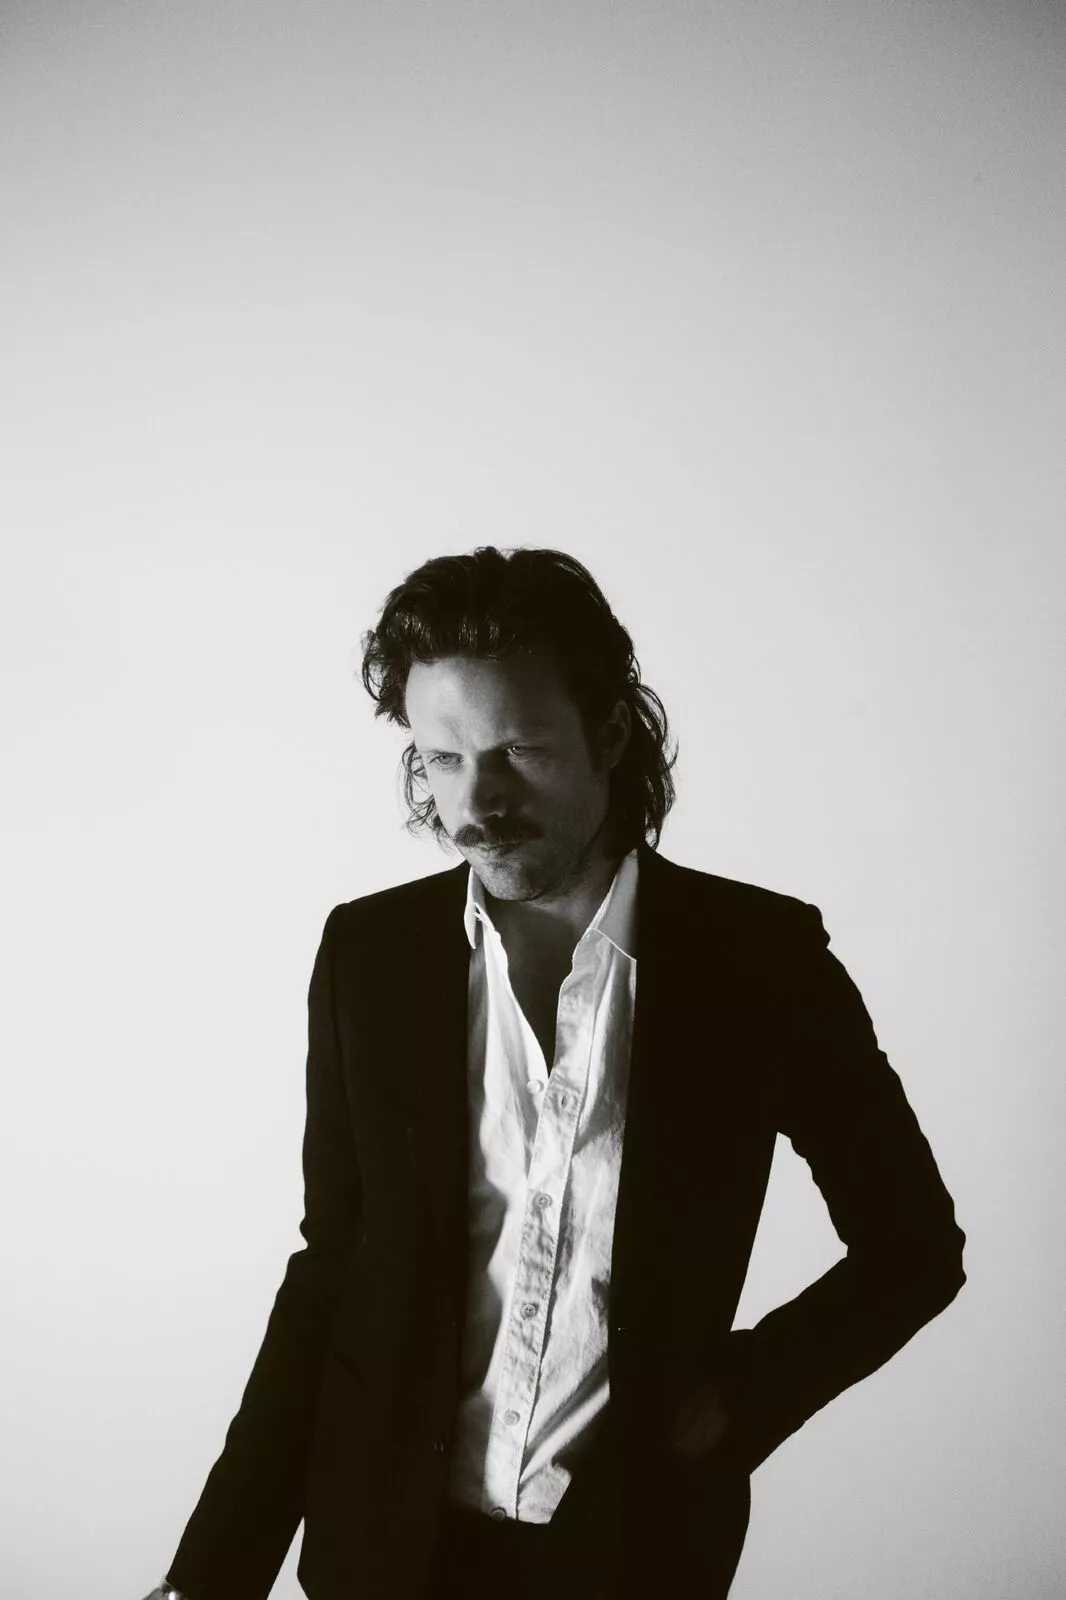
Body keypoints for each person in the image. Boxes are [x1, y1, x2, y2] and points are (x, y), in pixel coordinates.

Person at [142, 546, 966, 1600]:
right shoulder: (367, 957)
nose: (475, 801)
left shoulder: (761, 963)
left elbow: (913, 1248)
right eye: (441, 758)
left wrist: (744, 1393)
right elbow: (333, 1272)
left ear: (610, 736)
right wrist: (208, 1576)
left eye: (517, 751)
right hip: (381, 1554)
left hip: (632, 1557)